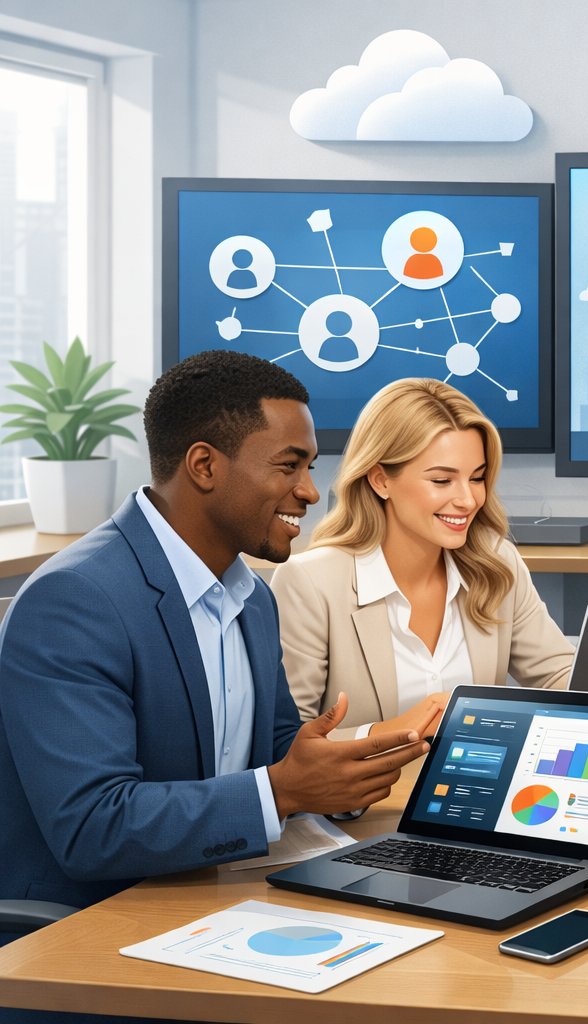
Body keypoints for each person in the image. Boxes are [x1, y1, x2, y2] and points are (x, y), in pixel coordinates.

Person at [0, 350, 430, 931]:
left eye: (310, 467)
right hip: (91, 928)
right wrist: (282, 792)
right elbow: (91, 826)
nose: (310, 491)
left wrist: (349, 766)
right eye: (290, 466)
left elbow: (274, 747)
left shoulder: (252, 596)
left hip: (211, 897)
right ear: (204, 465)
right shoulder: (76, 601)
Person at [271, 379, 573, 743]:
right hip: (369, 800)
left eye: (477, 478)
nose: (468, 500)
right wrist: (404, 729)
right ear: (381, 480)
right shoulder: (310, 582)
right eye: (442, 480)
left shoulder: (496, 563)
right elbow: (288, 744)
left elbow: (558, 674)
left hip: (476, 789)